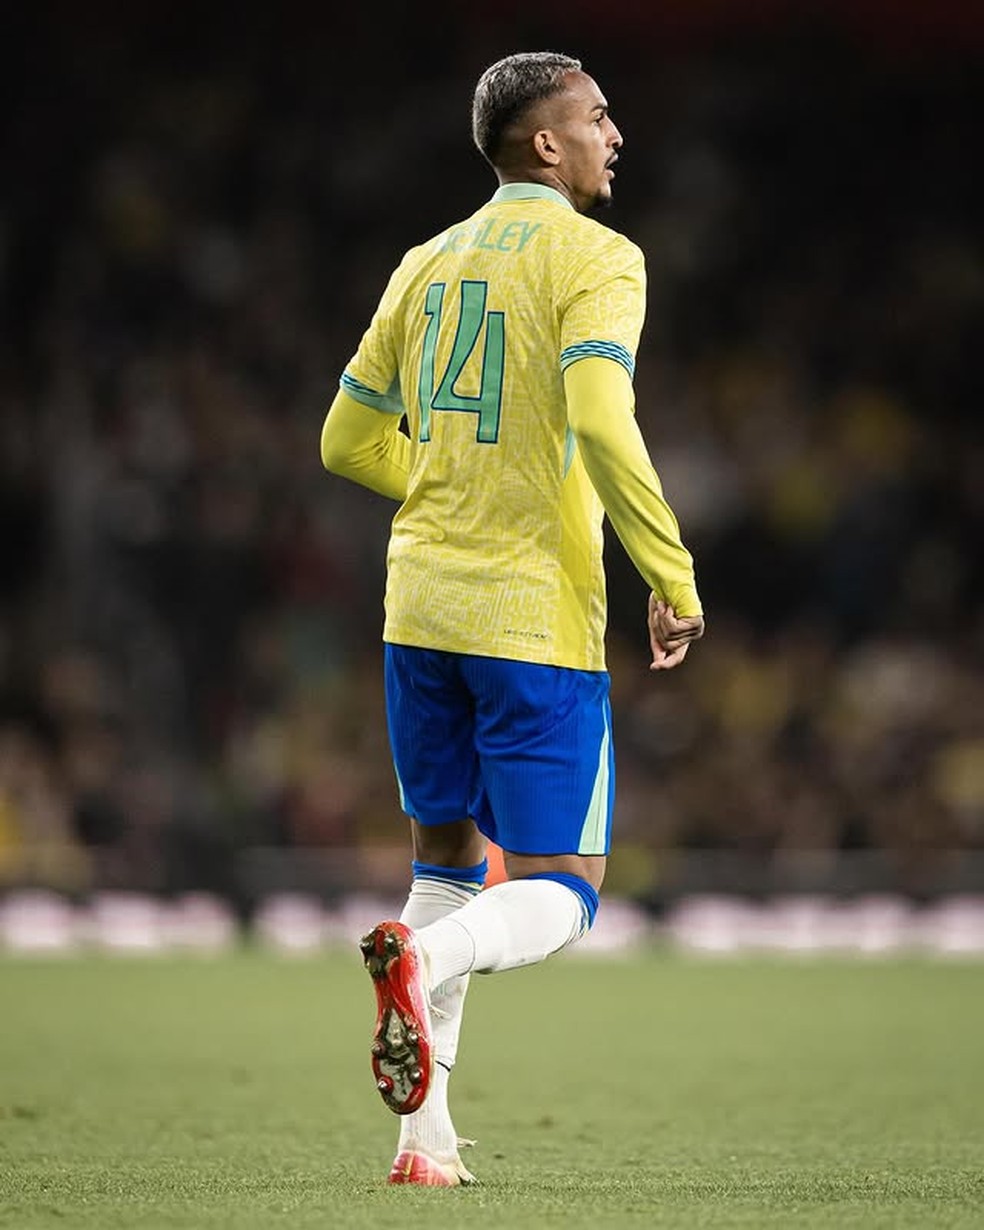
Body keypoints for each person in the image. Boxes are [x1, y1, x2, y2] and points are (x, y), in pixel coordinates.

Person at [320, 50, 704, 1187]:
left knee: (445, 855)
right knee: (564, 889)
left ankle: (421, 1142)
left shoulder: (423, 261)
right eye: (596, 117)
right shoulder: (599, 258)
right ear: (547, 142)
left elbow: (344, 442)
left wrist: (455, 488)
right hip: (531, 616)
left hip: (418, 607)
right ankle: (421, 954)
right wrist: (669, 572)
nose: (614, 133)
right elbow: (597, 413)